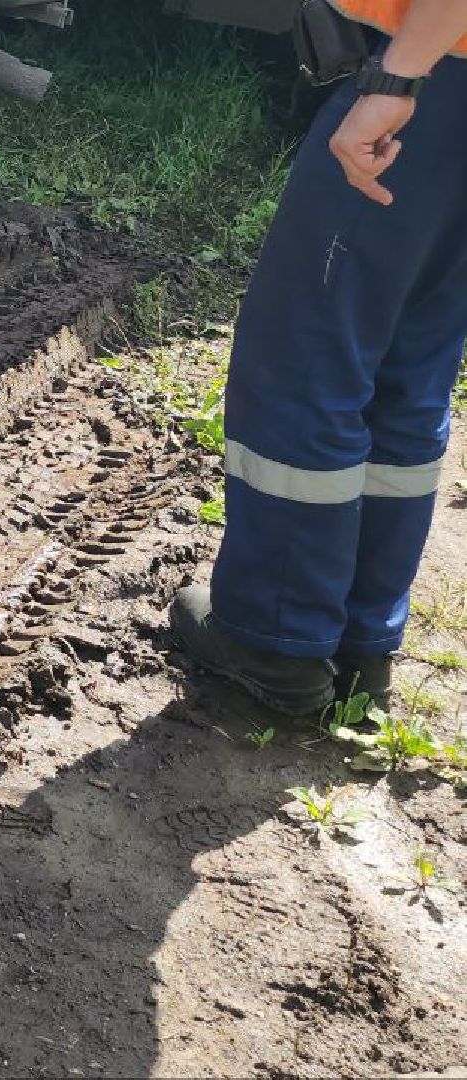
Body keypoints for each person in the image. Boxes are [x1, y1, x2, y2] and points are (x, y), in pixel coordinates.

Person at [172, 0, 467, 715]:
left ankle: (274, 637)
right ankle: (358, 640)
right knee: (409, 363)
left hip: (432, 72)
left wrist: (395, 80)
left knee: (307, 356)